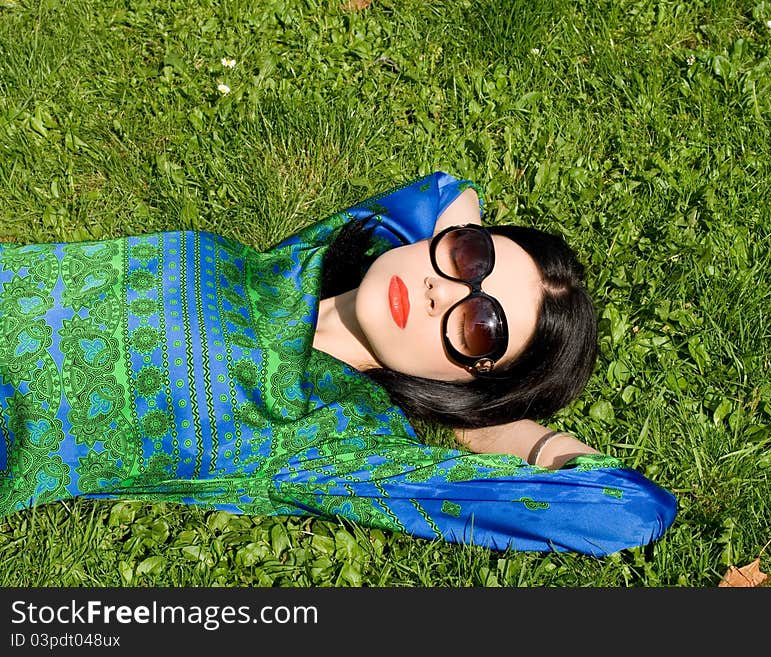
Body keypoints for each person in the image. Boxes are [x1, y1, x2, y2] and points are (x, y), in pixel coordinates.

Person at [0, 171, 676, 557]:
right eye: (474, 257)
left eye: (479, 326)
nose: (446, 289)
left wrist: (486, 420)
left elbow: (621, 510)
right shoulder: (311, 258)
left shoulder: (332, 439)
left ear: (473, 381)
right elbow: (447, 189)